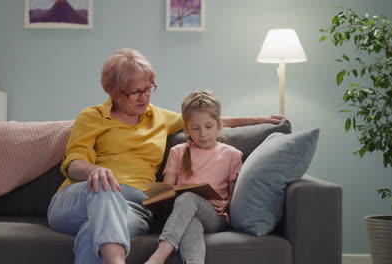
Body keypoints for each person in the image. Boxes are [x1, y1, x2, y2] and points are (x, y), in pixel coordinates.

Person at [47, 48, 283, 264]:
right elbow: (73, 162)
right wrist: (94, 170)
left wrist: (261, 120)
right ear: (113, 92)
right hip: (83, 196)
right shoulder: (91, 117)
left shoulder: (159, 117)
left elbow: (206, 121)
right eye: (135, 92)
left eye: (149, 88)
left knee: (92, 231)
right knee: (107, 189)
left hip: (135, 206)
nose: (144, 97)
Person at [145, 90, 242, 264]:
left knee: (189, 198)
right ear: (187, 128)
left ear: (219, 124)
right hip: (182, 213)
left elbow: (234, 194)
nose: (203, 134)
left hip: (215, 217)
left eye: (209, 127)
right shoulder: (178, 152)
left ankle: (158, 257)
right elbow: (167, 189)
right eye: (196, 129)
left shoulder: (231, 154)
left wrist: (226, 204)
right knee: (191, 218)